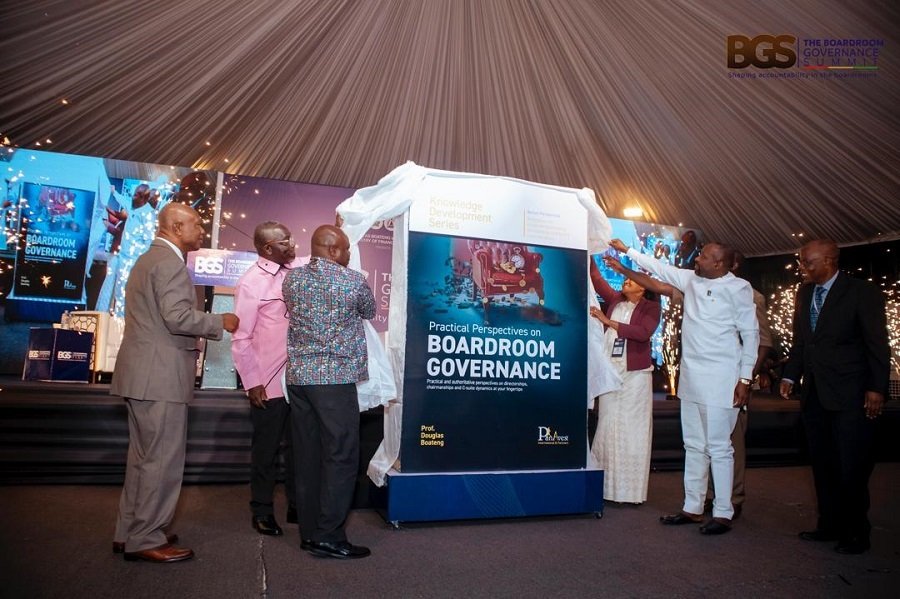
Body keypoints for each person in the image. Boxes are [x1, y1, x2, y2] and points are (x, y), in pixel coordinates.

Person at [110, 203, 239, 563]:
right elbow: (177, 317)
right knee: (161, 462)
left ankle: (130, 531)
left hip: (142, 375)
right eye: (196, 224)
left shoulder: (145, 260)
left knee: (142, 460)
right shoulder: (169, 263)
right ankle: (147, 538)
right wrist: (220, 321)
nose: (201, 230)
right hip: (160, 376)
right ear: (175, 227)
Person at [607, 238, 758, 535]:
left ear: (720, 263)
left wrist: (745, 378)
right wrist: (628, 252)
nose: (697, 259)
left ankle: (724, 511)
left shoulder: (739, 289)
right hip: (692, 378)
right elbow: (658, 269)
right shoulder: (690, 280)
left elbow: (750, 335)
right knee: (693, 445)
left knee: (719, 447)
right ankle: (692, 507)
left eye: (703, 256)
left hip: (723, 379)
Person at [780, 239, 889, 554]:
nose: (803, 267)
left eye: (808, 262)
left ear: (830, 260)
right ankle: (829, 525)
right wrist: (789, 374)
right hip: (815, 394)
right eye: (802, 262)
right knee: (823, 463)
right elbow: (802, 342)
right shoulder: (804, 294)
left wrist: (876, 387)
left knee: (851, 464)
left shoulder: (860, 292)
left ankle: (856, 532)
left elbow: (877, 343)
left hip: (851, 394)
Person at [283, 224, 376, 559]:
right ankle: (330, 535)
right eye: (347, 248)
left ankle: (310, 532)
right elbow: (370, 310)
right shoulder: (353, 281)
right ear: (335, 251)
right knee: (340, 456)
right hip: (334, 380)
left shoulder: (291, 279)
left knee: (307, 456)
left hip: (299, 379)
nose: (349, 254)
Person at [231, 221, 305, 536]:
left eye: (291, 237)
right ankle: (261, 510)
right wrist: (252, 382)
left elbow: (326, 256)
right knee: (267, 450)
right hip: (269, 382)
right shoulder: (251, 283)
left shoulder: (296, 271)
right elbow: (241, 337)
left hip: (300, 379)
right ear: (267, 248)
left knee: (300, 447)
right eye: (284, 240)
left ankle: (297, 504)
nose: (292, 244)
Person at [588, 259, 661, 503]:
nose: (626, 281)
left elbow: (642, 333)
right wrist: (588, 247)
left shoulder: (651, 308)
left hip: (635, 376)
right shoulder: (616, 300)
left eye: (632, 279)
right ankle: (604, 487)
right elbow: (597, 280)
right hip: (611, 371)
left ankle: (629, 492)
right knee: (608, 424)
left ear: (643, 288)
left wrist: (609, 322)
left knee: (631, 430)